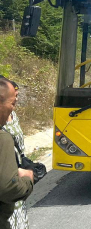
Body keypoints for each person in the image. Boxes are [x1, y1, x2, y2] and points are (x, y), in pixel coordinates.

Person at [0, 78, 34, 229]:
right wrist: (28, 180)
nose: (13, 107)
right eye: (12, 103)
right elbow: (8, 188)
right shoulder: (3, 138)